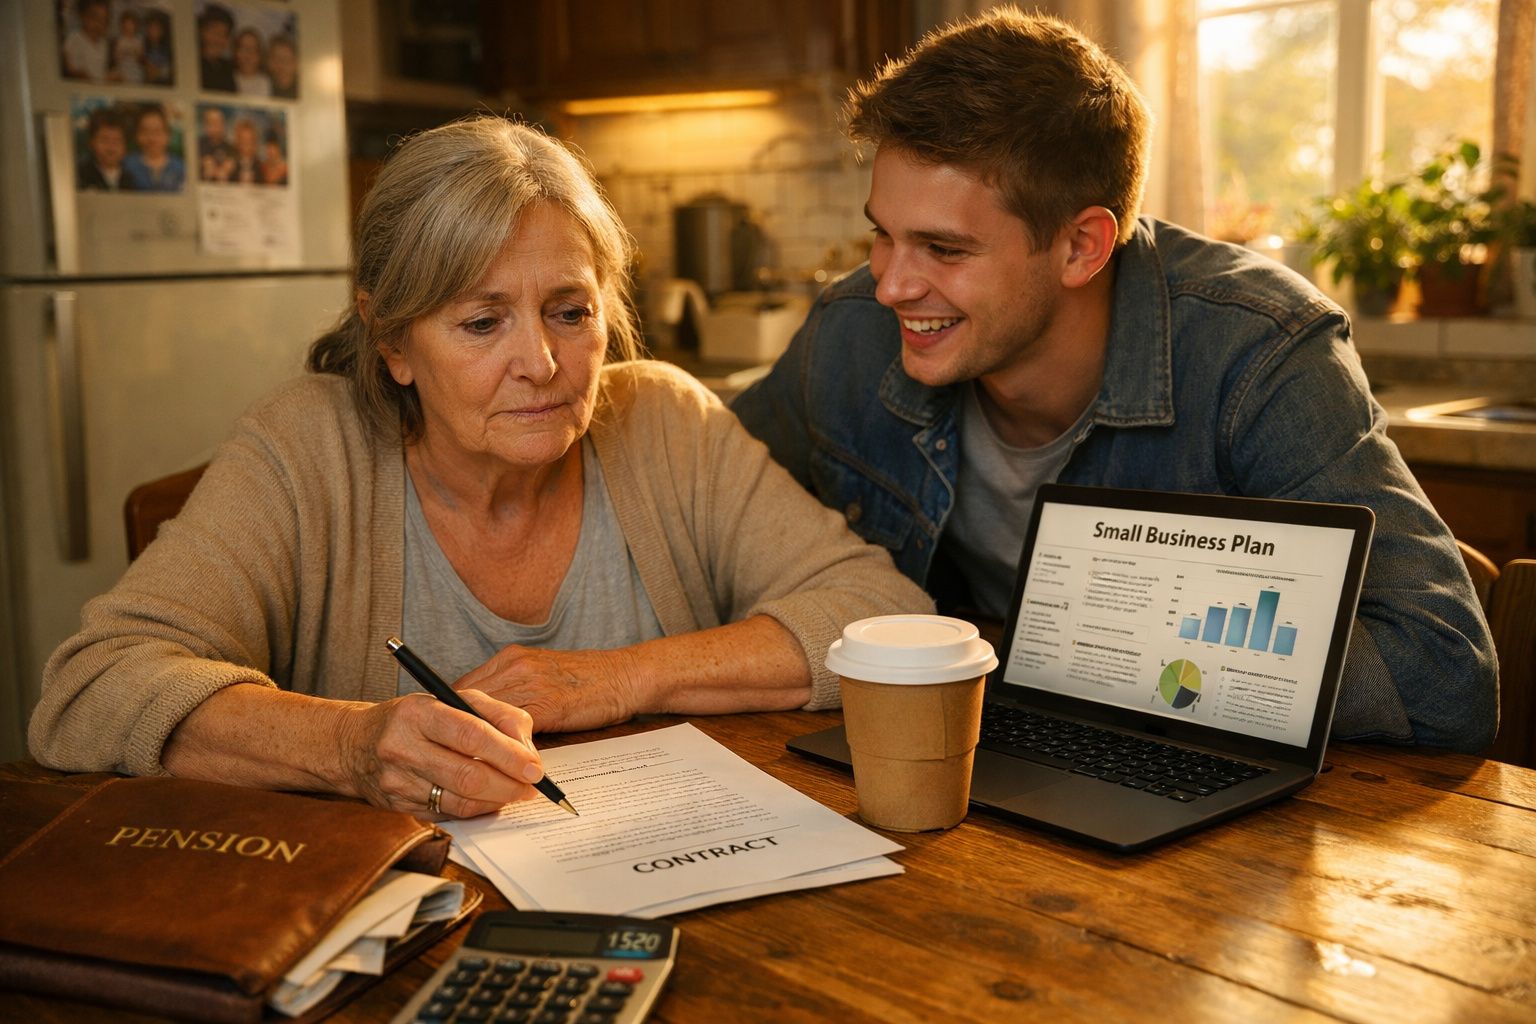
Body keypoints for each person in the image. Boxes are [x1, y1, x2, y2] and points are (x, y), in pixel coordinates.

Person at [30, 116, 931, 820]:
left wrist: (617, 676)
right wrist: (353, 746)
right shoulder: (308, 445)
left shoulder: (662, 419)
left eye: (570, 311)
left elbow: (886, 617)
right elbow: (93, 688)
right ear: (392, 343)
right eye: (481, 321)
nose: (540, 362)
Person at [732, 7, 1498, 753]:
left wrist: (1112, 650)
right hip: (948, 755)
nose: (892, 285)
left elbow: (1444, 673)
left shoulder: (1257, 351)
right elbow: (706, 497)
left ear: (1081, 246)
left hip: (1202, 797)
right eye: (882, 234)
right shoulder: (849, 332)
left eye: (943, 249)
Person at [122, 104, 185, 192]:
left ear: (168, 135)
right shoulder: (126, 165)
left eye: (157, 132)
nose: (151, 138)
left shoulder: (181, 167)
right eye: (145, 131)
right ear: (136, 135)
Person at [76, 107, 136, 191]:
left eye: (117, 141)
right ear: (91, 142)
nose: (111, 147)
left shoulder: (132, 179)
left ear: (125, 146)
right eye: (104, 140)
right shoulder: (79, 175)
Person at [60, 0, 111, 82]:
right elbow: (73, 70)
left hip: (100, 89)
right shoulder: (74, 39)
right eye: (95, 18)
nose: (98, 23)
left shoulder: (103, 43)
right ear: (83, 16)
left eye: (103, 20)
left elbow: (101, 72)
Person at [197, 2, 235, 92]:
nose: (218, 40)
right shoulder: (189, 64)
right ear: (201, 32)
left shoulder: (228, 68)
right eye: (215, 33)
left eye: (224, 35)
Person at [198, 105, 235, 182]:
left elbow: (224, 173)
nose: (215, 126)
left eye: (218, 122)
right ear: (206, 125)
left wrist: (216, 171)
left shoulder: (230, 148)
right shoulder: (198, 145)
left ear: (223, 124)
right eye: (211, 122)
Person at [232, 26, 271, 97]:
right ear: (235, 52)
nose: (248, 55)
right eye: (243, 48)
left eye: (253, 49)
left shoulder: (267, 82)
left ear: (260, 55)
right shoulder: (227, 79)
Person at [111, 9, 146, 84]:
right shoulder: (120, 40)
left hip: (135, 69)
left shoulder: (138, 40)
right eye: (126, 24)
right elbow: (116, 58)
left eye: (131, 24)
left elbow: (141, 58)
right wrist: (123, 53)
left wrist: (135, 53)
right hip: (123, 69)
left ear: (135, 26)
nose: (128, 27)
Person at [143, 8, 173, 85]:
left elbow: (170, 70)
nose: (152, 31)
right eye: (150, 27)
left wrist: (158, 72)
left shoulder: (167, 50)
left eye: (156, 28)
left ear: (162, 30)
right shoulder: (144, 47)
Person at [267, 33, 298, 99]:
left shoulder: (305, 90)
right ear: (270, 63)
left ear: (296, 64)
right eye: (277, 59)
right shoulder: (263, 89)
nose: (282, 65)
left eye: (287, 60)